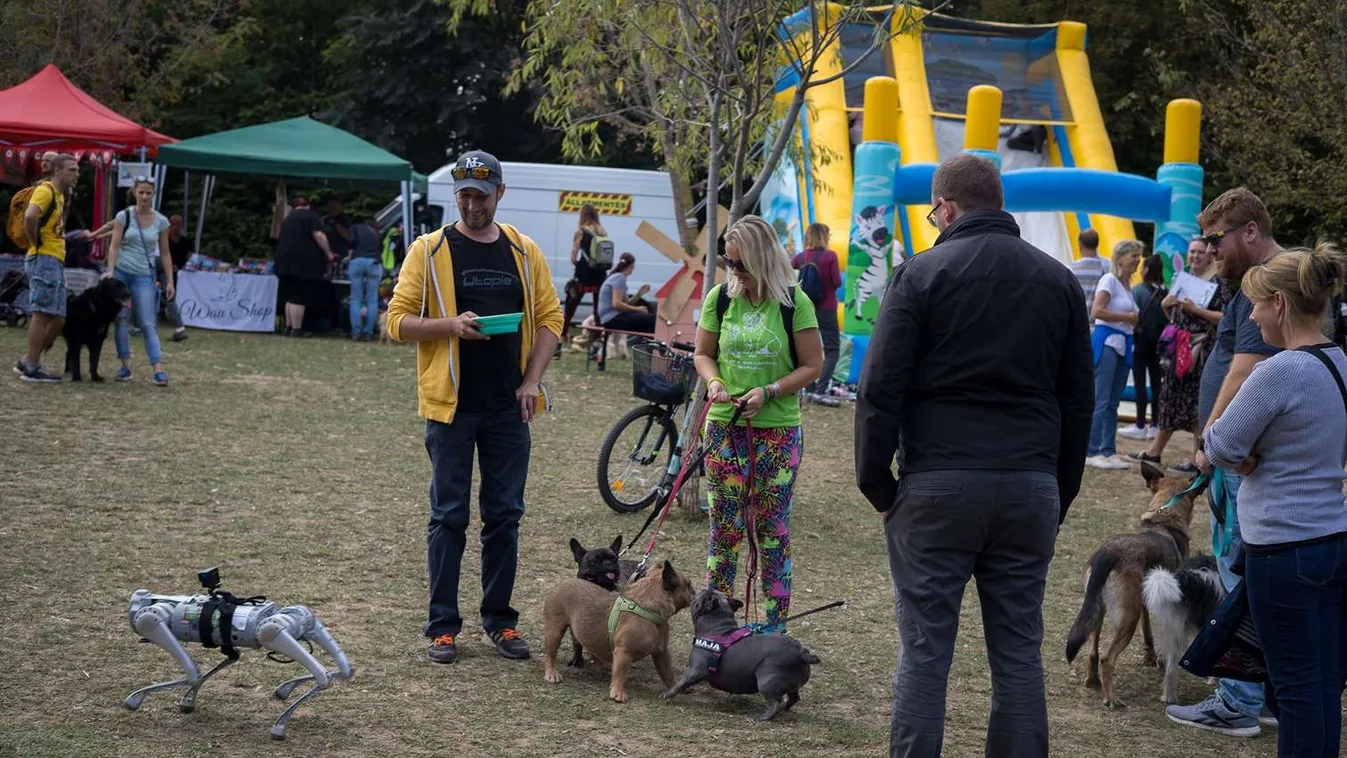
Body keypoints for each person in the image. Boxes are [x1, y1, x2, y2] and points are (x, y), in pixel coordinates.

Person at [856, 154, 1093, 758]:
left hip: (939, 481)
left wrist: (878, 485)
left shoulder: (920, 274)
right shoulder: (1060, 280)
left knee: (926, 651)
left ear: (948, 208)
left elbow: (880, 387)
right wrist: (1059, 489)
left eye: (935, 211)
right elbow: (1078, 401)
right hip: (1029, 483)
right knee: (1018, 651)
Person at [385, 150, 563, 665]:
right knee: (448, 516)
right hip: (451, 407)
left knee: (505, 516)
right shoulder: (431, 249)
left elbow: (551, 318)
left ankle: (500, 623)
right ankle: (442, 627)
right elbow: (395, 322)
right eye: (463, 194)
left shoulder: (523, 251)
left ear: (499, 194)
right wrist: (450, 325)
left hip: (509, 407)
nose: (471, 203)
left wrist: (532, 381)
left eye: (481, 195)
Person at [1203, 244, 1347, 758]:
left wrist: (1239, 455)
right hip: (1331, 538)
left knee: (1295, 687)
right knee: (1325, 682)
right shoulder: (1339, 362)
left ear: (1281, 304)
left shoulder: (1278, 370)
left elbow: (1218, 443)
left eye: (1258, 305)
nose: (1254, 316)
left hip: (1282, 547)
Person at [1166, 187, 1282, 738]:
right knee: (1247, 572)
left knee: (1239, 574)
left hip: (1243, 459)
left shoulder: (1272, 283)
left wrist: (1210, 441)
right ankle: (1260, 691)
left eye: (1217, 239)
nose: (1210, 251)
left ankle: (1238, 700)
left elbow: (1246, 369)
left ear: (1250, 232)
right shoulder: (1250, 285)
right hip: (1239, 457)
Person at [693, 215, 822, 629]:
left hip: (777, 434)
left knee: (772, 531)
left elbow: (813, 365)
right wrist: (714, 383)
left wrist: (768, 392)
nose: (733, 273)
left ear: (763, 260)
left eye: (740, 265)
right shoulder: (720, 299)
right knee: (724, 530)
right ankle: (717, 628)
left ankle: (773, 627)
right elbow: (703, 353)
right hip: (724, 429)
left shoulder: (793, 303)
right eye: (729, 263)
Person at [1136, 238, 1227, 471]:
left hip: (1200, 350)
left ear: (1208, 256)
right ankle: (1154, 452)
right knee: (1169, 398)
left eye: (1199, 252)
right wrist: (1167, 306)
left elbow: (1224, 318)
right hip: (1178, 347)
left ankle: (1196, 459)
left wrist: (1196, 310)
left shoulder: (1219, 282)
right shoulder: (1182, 279)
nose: (1195, 256)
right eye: (1192, 252)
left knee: (1197, 403)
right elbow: (1174, 313)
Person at [15, 154, 79, 383]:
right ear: (58, 171)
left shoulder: (61, 195)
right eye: (72, 170)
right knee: (41, 313)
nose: (76, 174)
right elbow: (30, 216)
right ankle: (32, 367)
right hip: (44, 257)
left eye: (77, 170)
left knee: (58, 316)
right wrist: (35, 242)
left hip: (54, 258)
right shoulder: (46, 191)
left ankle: (29, 360)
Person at [104, 178, 175, 386]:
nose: (144, 197)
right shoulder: (123, 216)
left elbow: (165, 253)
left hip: (144, 275)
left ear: (154, 195)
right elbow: (114, 245)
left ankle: (158, 369)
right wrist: (110, 271)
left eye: (148, 193)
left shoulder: (161, 221)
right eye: (141, 192)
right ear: (135, 192)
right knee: (121, 320)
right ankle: (125, 366)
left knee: (148, 323)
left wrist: (170, 281)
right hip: (122, 273)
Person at [1085, 240, 1143, 470]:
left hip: (1123, 343)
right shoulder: (1108, 280)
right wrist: (1127, 318)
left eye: (1139, 256)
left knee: (1112, 401)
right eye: (1133, 255)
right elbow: (1096, 311)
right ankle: (1092, 449)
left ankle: (1108, 449)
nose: (1137, 260)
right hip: (1107, 341)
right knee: (1101, 398)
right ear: (1120, 258)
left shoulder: (1127, 285)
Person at [792, 223, 843, 407]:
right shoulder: (830, 256)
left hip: (805, 309)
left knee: (806, 350)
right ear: (824, 237)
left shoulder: (801, 257)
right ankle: (821, 389)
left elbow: (790, 269)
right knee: (832, 350)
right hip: (827, 308)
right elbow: (837, 281)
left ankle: (810, 388)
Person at [1120, 255, 1168, 440]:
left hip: (1141, 342)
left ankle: (1140, 424)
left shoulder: (1139, 290)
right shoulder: (1166, 292)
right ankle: (1155, 423)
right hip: (1160, 344)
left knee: (1140, 383)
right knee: (1157, 384)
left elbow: (1133, 314)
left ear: (1147, 270)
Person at [274, 196, 335, 337]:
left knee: (289, 295)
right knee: (299, 296)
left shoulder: (287, 219)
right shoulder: (310, 217)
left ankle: (288, 327)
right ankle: (297, 329)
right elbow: (319, 235)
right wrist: (329, 253)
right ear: (308, 206)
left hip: (284, 260)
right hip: (302, 263)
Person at [561, 203, 609, 340]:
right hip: (600, 272)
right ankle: (598, 335)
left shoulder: (581, 231)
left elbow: (574, 255)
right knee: (598, 307)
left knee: (572, 302)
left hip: (584, 273)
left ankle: (563, 332)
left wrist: (576, 262)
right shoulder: (602, 230)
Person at [597, 252, 655, 335]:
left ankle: (647, 345)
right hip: (612, 318)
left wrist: (639, 294)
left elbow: (624, 304)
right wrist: (637, 309)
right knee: (653, 319)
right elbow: (616, 305)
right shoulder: (619, 278)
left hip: (611, 318)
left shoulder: (616, 277)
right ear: (630, 266)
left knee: (648, 323)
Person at [347, 217, 383, 341]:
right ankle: (369, 332)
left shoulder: (355, 228)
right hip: (373, 263)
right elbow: (381, 248)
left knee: (356, 299)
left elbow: (351, 242)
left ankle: (356, 331)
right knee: (372, 299)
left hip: (357, 262)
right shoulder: (376, 232)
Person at [1071, 228, 1109, 315]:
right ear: (1097, 244)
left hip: (1081, 320)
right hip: (1103, 321)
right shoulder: (1109, 266)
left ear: (1080, 245)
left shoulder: (1071, 269)